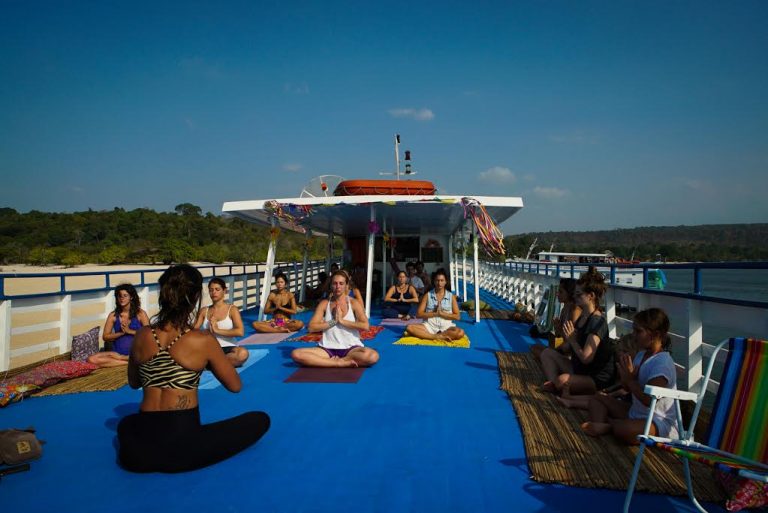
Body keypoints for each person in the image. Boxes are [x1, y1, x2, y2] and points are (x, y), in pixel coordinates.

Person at [118, 264, 270, 473]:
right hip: (183, 447)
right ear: (196, 297)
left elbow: (134, 382)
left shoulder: (142, 335)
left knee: (125, 423)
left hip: (140, 450)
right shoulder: (202, 340)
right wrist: (205, 363)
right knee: (260, 420)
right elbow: (235, 386)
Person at [557, 308, 679, 443]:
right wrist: (626, 377)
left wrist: (630, 380)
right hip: (635, 413)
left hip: (657, 420)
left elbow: (650, 400)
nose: (634, 335)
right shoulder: (641, 355)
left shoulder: (662, 364)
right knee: (598, 399)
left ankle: (609, 425)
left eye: (638, 331)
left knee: (624, 430)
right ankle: (604, 425)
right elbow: (628, 389)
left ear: (655, 335)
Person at [540, 267, 615, 395]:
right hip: (579, 369)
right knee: (547, 353)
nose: (575, 296)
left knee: (562, 380)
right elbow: (568, 348)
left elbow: (586, 358)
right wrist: (561, 332)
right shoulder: (583, 317)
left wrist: (572, 340)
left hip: (595, 378)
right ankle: (555, 384)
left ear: (591, 296)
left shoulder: (597, 321)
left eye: (579, 294)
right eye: (575, 293)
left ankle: (559, 385)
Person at [290, 270, 379, 368]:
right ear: (331, 285)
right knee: (296, 354)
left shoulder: (354, 303)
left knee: (372, 356)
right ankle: (338, 363)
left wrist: (342, 321)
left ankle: (338, 361)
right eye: (335, 283)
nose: (338, 286)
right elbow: (311, 327)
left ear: (346, 285)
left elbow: (365, 326)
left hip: (351, 349)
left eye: (341, 283)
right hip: (327, 349)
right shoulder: (324, 304)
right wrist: (334, 322)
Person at [88, 284, 150, 368]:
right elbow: (105, 337)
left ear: (131, 297)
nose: (122, 298)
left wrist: (129, 331)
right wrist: (121, 333)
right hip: (117, 354)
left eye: (125, 296)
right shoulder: (113, 315)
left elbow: (149, 334)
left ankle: (124, 360)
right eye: (119, 296)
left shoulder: (140, 314)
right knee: (91, 359)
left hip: (137, 352)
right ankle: (126, 361)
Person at [194, 278, 249, 368]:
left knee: (242, 354)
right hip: (209, 349)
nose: (214, 292)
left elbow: (240, 332)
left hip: (228, 348)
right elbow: (194, 330)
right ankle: (217, 364)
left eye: (217, 289)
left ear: (224, 291)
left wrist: (217, 330)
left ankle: (210, 364)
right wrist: (207, 332)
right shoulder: (204, 311)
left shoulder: (232, 309)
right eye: (211, 290)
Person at [405, 268, 465, 342]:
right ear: (434, 281)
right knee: (409, 327)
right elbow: (418, 314)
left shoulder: (451, 296)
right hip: (429, 326)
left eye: (442, 280)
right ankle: (436, 337)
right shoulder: (427, 295)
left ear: (446, 282)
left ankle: (437, 335)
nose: (439, 283)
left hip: (446, 327)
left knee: (460, 332)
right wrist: (434, 313)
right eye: (437, 280)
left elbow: (457, 316)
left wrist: (441, 314)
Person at [530, 278, 582, 360]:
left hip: (570, 351)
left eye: (561, 292)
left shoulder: (575, 311)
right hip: (562, 347)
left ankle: (553, 359)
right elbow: (560, 337)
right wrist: (557, 330)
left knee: (540, 351)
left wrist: (557, 346)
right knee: (534, 347)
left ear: (569, 293)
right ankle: (552, 357)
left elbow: (572, 340)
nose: (557, 294)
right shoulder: (564, 309)